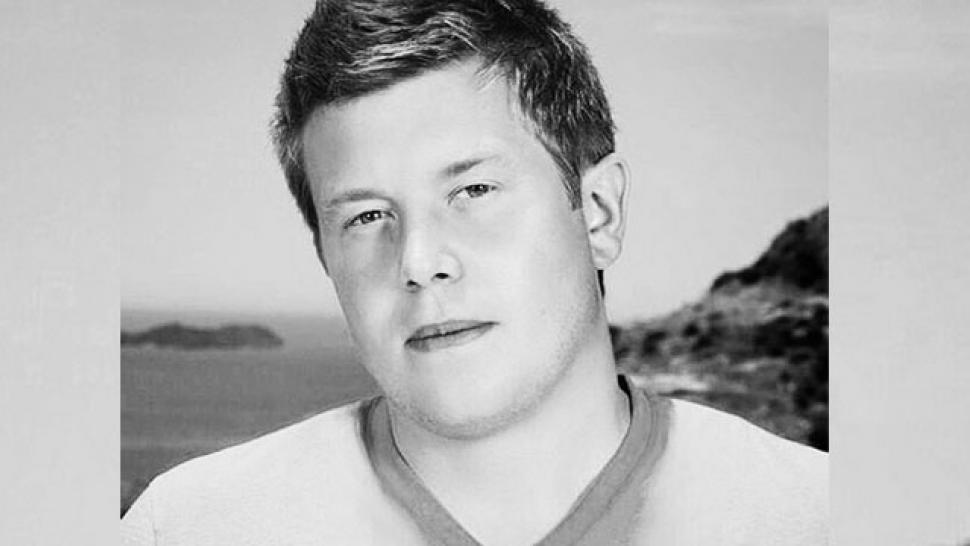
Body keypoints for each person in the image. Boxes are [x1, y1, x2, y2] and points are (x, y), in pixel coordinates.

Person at [122, 0, 827, 544]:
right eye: (366, 217)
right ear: (324, 257)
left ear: (599, 213)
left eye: (474, 191)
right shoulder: (188, 529)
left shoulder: (817, 517)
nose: (419, 262)